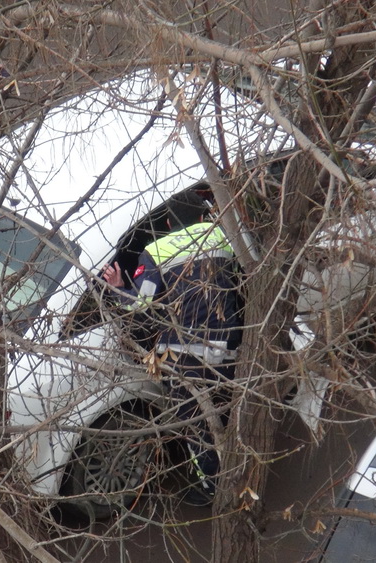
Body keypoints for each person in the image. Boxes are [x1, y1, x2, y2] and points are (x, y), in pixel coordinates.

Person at [102, 189, 243, 506]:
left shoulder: (156, 251)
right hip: (228, 345)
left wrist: (118, 288)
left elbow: (140, 306)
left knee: (197, 425)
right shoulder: (220, 235)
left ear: (167, 222)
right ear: (202, 217)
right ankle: (241, 468)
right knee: (228, 412)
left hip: (186, 356)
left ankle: (211, 487)